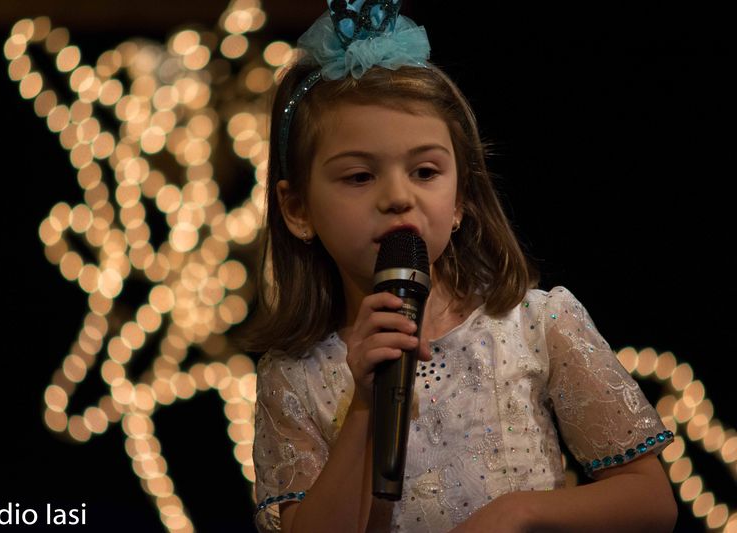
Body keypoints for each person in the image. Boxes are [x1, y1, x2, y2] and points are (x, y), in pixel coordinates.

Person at [248, 2, 678, 532]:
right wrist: (363, 407)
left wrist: (518, 511)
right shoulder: (292, 378)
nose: (398, 197)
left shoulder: (536, 325)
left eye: (425, 171)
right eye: (359, 176)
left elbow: (651, 500)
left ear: (459, 200)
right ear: (297, 209)